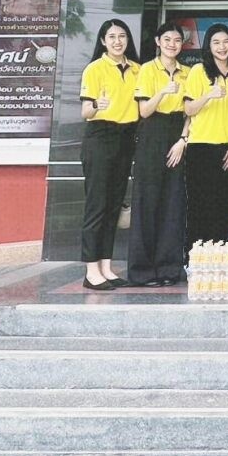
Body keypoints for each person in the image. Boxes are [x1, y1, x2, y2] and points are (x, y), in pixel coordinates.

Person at [78, 19, 141, 291]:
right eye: (112, 37)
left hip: (126, 138)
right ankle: (91, 270)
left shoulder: (138, 69)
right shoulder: (95, 69)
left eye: (122, 36)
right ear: (103, 41)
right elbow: (85, 113)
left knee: (114, 205)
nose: (118, 41)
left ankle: (105, 265)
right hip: (100, 137)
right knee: (97, 205)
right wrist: (96, 104)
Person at [127, 22, 190, 287]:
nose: (172, 45)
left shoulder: (189, 72)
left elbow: (191, 111)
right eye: (167, 40)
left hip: (178, 132)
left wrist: (183, 140)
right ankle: (142, 270)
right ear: (157, 41)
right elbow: (144, 111)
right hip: (153, 132)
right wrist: (163, 90)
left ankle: (169, 268)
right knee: (148, 200)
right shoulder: (146, 70)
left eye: (177, 40)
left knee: (173, 203)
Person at [182, 23, 228, 246]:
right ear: (208, 46)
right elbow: (188, 109)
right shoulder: (199, 71)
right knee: (201, 205)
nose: (222, 47)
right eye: (216, 42)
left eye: (226, 42)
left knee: (226, 205)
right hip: (201, 147)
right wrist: (208, 95)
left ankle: (219, 261)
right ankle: (195, 259)